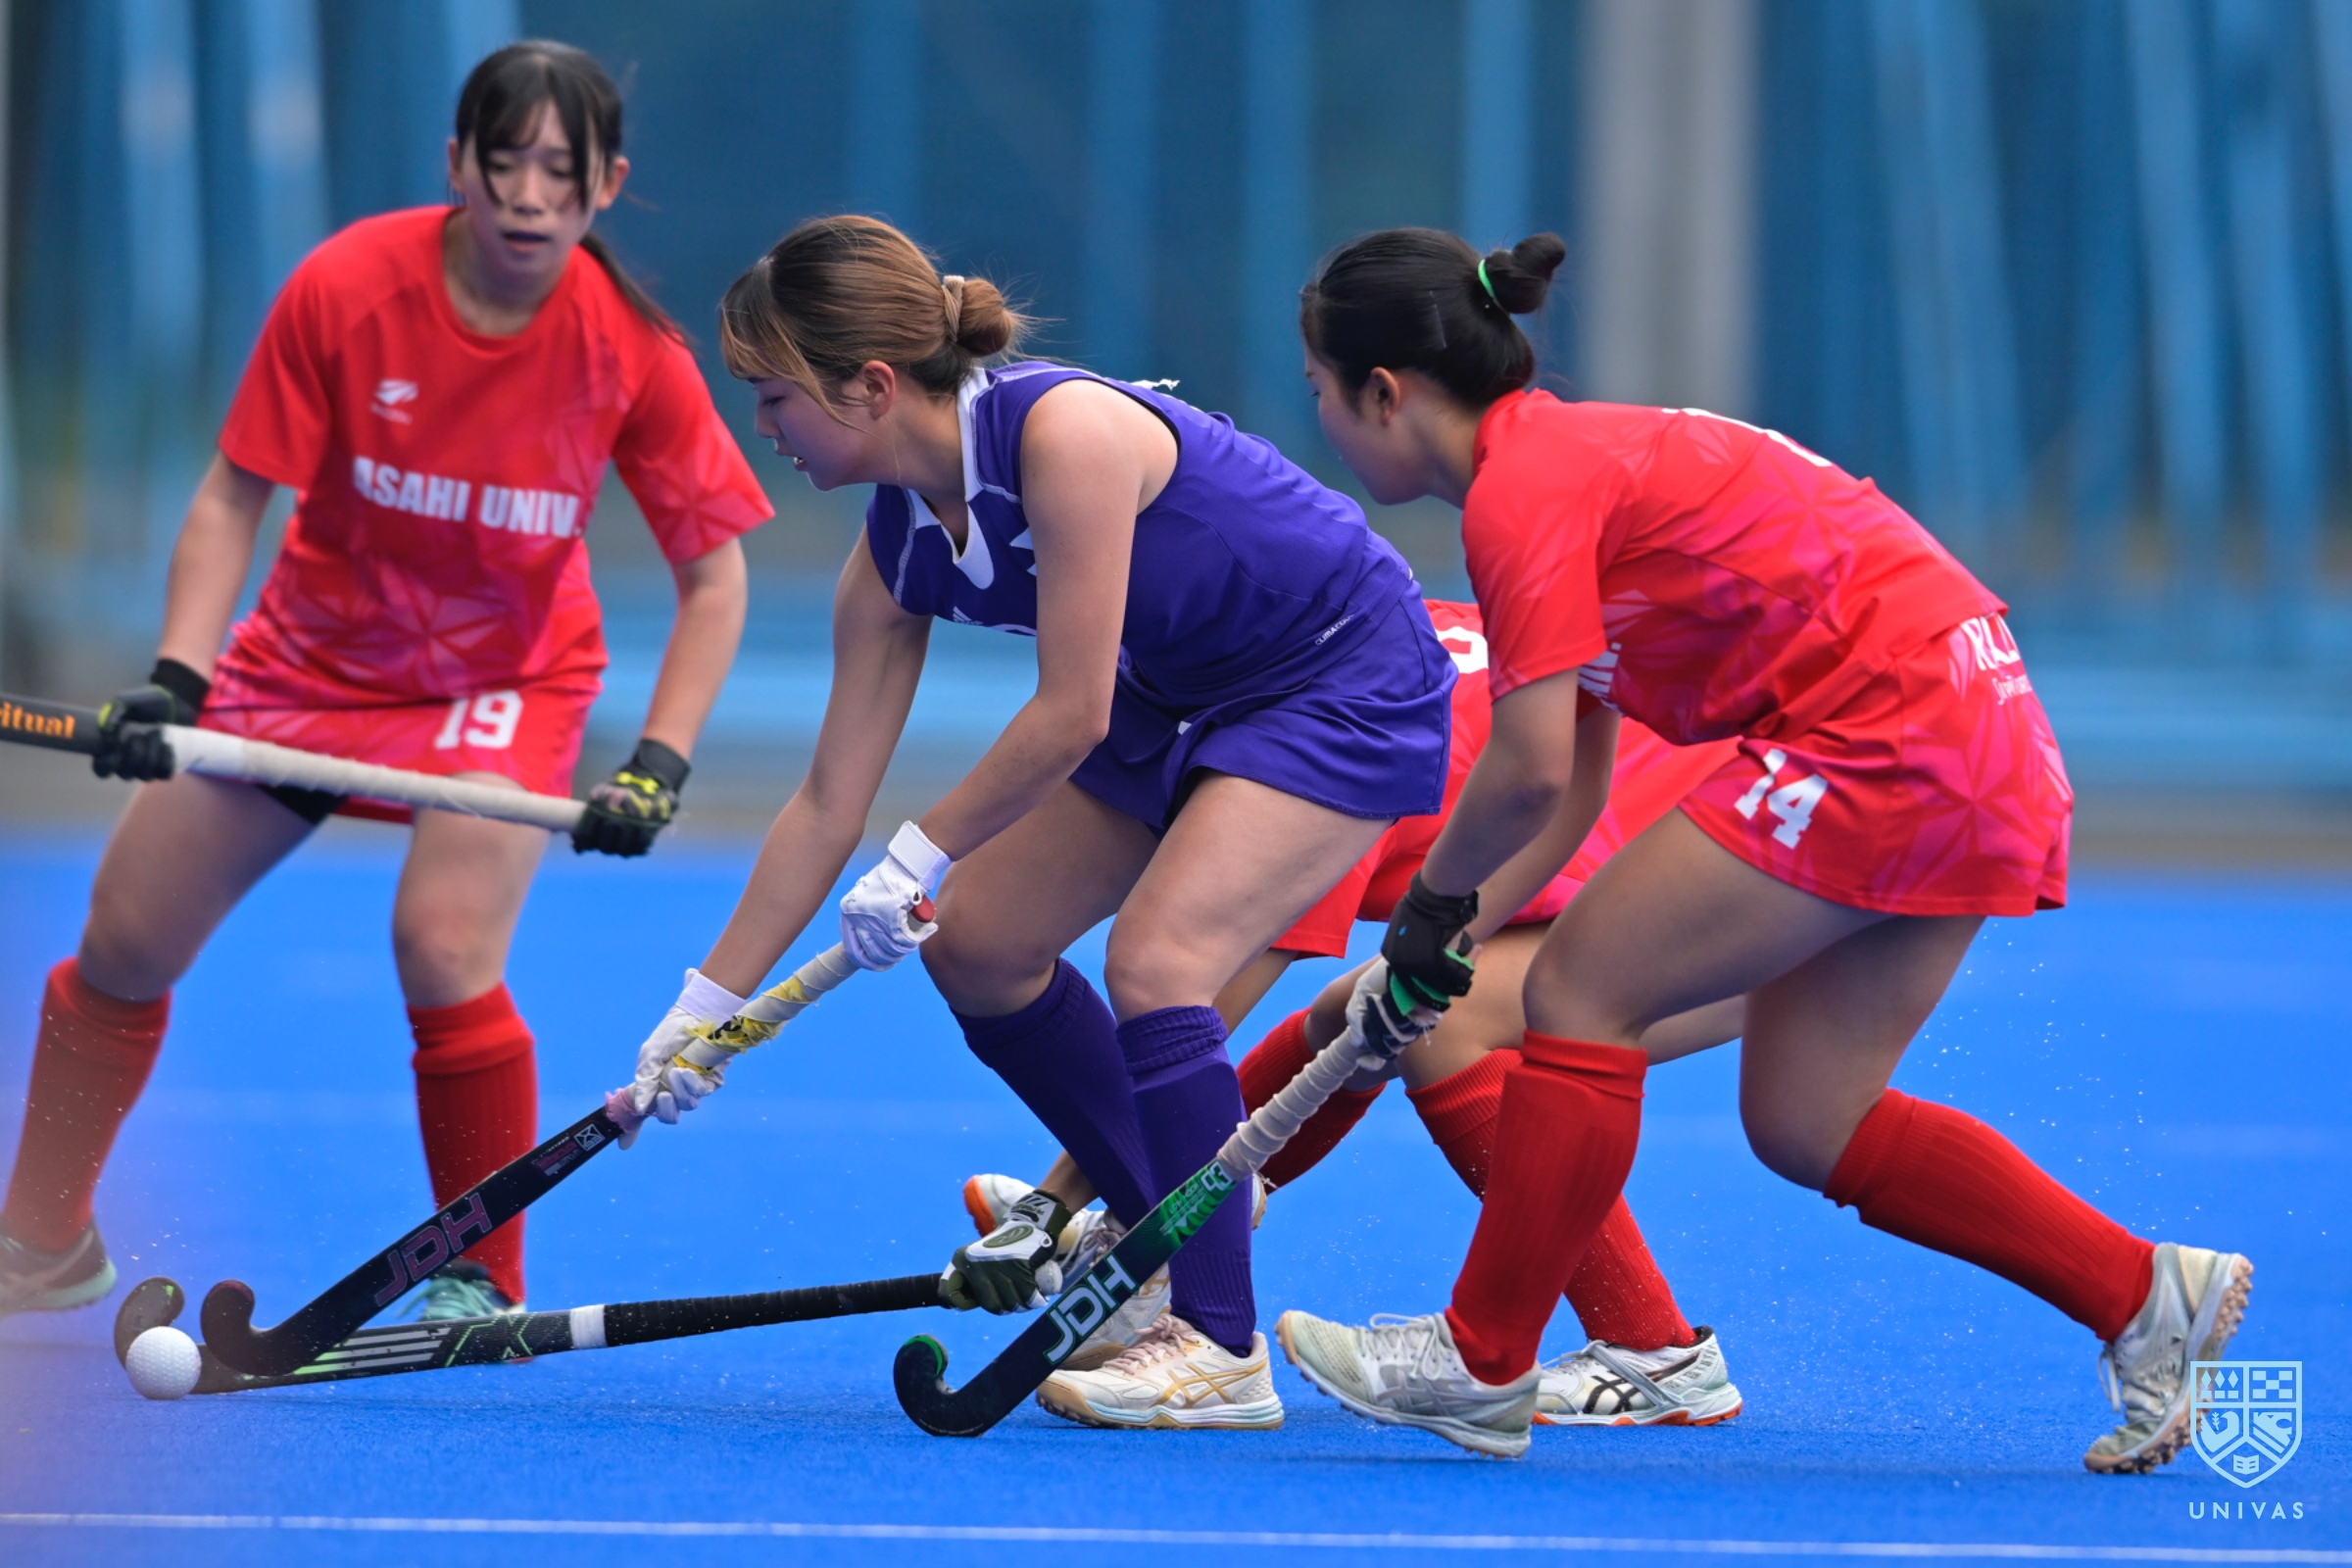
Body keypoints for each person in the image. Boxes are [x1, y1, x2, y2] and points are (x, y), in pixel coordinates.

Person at [1272, 227, 2249, 1471]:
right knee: (1807, 1118)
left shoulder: (1524, 494)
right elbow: (1577, 782)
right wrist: (1451, 943)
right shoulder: (1572, 459)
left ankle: (1483, 1356)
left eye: (1319, 392)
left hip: (1893, 730)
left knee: (1580, 991)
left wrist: (1426, 910)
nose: (1321, 424)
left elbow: (1522, 770)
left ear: (1384, 393)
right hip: (1978, 724)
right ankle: (2139, 1292)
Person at [617, 215, 1456, 1433]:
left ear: (869, 386)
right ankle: (1169, 1207)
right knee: (979, 942)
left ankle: (1219, 1346)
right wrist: (703, 1013)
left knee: (1158, 961)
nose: (763, 426)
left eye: (774, 395)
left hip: (1337, 674)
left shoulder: (1063, 434)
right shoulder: (892, 548)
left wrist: (919, 853)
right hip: (1181, 691)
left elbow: (1070, 712)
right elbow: (825, 802)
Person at [0, 42, 771, 1326]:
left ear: (606, 187)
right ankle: (42, 1243)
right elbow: (233, 494)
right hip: (309, 662)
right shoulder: (349, 285)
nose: (529, 197)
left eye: (562, 172)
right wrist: (176, 678)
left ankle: (480, 1277)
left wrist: (660, 760)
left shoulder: (630, 349)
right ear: (456, 164)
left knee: (443, 942)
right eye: (505, 162)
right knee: (126, 932)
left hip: (504, 683)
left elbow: (716, 577)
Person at [965, 599, 1750, 1427]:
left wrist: (1056, 1202)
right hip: (1727, 848)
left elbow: (1185, 1017)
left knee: (1437, 1018)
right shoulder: (1353, 637)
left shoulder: (1329, 745)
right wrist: (1073, 1202)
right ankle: (1157, 1228)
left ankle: (1652, 1348)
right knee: (1362, 1017)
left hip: (1748, 885)